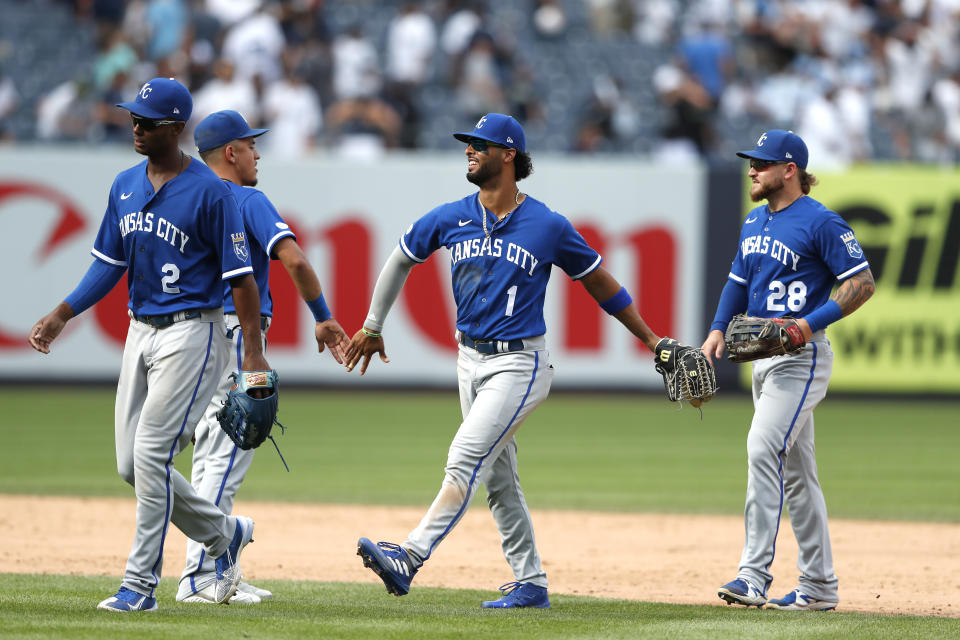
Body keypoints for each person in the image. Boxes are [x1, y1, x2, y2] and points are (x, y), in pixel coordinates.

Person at [345, 113, 663, 608]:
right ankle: (530, 581)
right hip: (467, 360)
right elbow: (402, 256)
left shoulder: (548, 225)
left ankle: (409, 555)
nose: (469, 151)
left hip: (520, 365)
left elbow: (599, 281)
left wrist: (651, 339)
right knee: (499, 481)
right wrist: (372, 324)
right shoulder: (452, 216)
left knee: (465, 457)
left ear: (509, 154)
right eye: (468, 144)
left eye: (480, 144)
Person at [28, 78, 269, 612]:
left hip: (193, 332)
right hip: (140, 330)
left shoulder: (211, 191)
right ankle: (225, 533)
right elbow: (107, 264)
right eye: (133, 117)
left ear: (176, 127)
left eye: (148, 121)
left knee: (152, 453)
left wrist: (252, 354)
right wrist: (62, 313)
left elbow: (242, 279)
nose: (136, 127)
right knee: (129, 465)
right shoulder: (124, 185)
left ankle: (140, 586)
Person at [176, 109, 350, 604]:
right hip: (236, 339)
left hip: (192, 337)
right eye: (251, 145)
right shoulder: (245, 197)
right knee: (225, 460)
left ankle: (211, 570)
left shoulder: (185, 198)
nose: (258, 154)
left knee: (209, 458)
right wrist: (321, 314)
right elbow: (293, 257)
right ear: (230, 153)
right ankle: (200, 579)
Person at [702, 130, 875, 611]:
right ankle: (819, 587)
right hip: (764, 359)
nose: (751, 169)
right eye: (750, 162)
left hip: (802, 358)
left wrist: (806, 325)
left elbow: (861, 283)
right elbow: (737, 283)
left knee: (762, 447)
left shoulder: (821, 222)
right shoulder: (753, 221)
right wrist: (717, 329)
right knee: (798, 474)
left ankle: (751, 575)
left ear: (789, 169)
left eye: (761, 162)